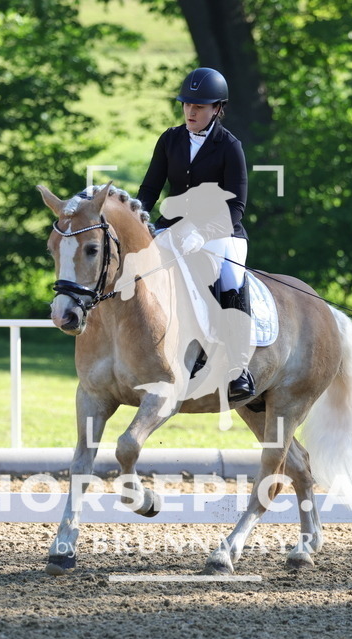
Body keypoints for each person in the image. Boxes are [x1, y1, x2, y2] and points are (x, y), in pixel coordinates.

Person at [137, 67, 255, 401]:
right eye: (187, 104)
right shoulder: (170, 139)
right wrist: (139, 217)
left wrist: (202, 234)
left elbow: (236, 207)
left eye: (200, 106)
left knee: (230, 279)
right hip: (172, 228)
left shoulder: (230, 146)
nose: (191, 111)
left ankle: (237, 367)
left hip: (221, 233)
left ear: (217, 108)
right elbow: (150, 188)